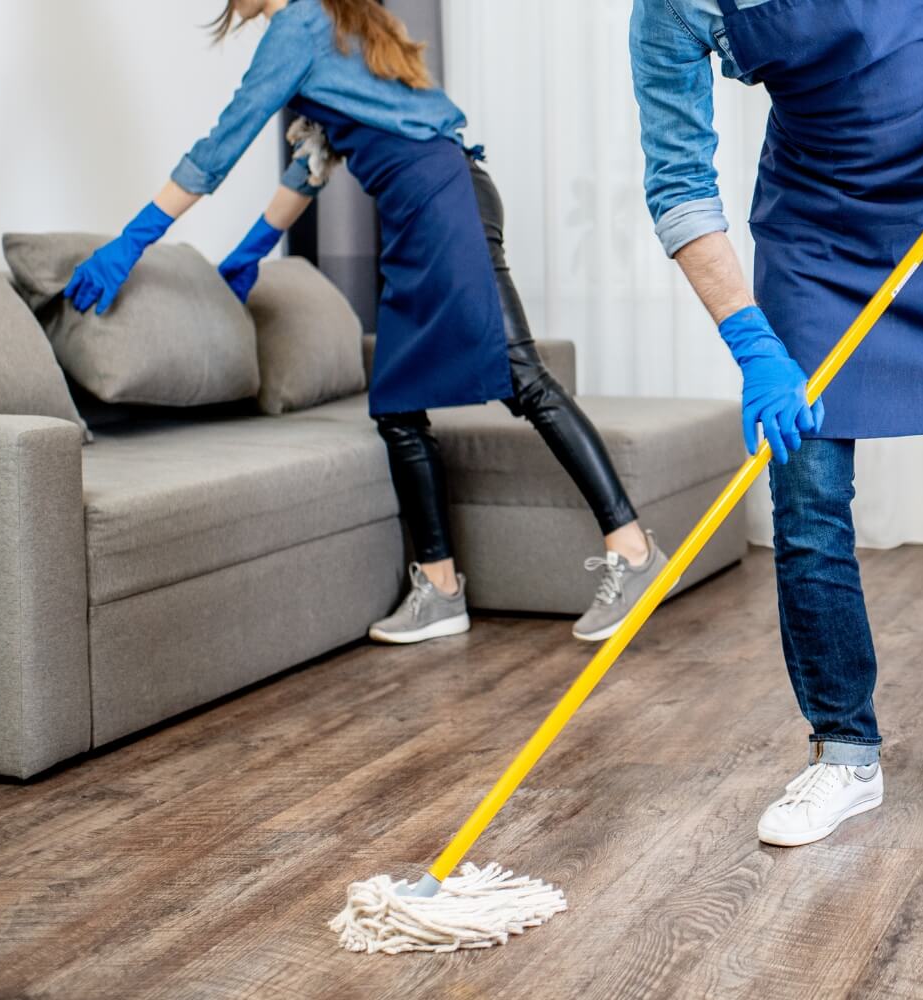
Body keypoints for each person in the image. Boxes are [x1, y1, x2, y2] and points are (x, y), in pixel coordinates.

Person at [630, 0, 923, 847]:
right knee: (808, 495)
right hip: (818, 234)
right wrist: (752, 341)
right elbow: (678, 179)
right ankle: (843, 751)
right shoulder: (675, 5)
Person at [65, 0, 670, 645]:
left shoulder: (300, 22)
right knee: (398, 405)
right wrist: (247, 253)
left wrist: (133, 241)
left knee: (522, 376)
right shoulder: (338, 23)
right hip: (425, 205)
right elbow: (313, 164)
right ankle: (439, 590)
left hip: (439, 201)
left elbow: (222, 145)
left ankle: (633, 554)